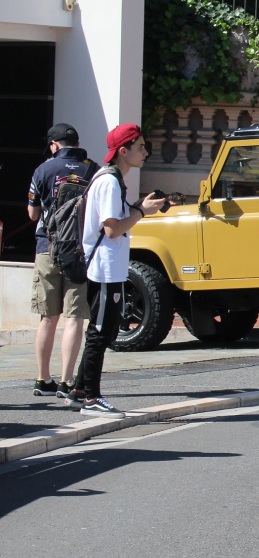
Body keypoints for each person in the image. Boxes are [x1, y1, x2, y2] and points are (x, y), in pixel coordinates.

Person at [72, 124, 165, 415]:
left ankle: (78, 390)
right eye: (140, 147)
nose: (145, 152)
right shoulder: (109, 181)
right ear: (123, 151)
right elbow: (112, 229)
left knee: (107, 329)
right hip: (103, 269)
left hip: (109, 268)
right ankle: (91, 398)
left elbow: (116, 221)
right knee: (101, 332)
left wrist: (138, 207)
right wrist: (141, 212)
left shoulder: (109, 178)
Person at [26, 123, 98, 401]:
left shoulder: (43, 170)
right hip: (78, 252)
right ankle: (67, 382)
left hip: (47, 247)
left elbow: (33, 214)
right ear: (76, 142)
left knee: (48, 318)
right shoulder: (93, 170)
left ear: (54, 145)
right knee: (75, 318)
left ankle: (43, 378)